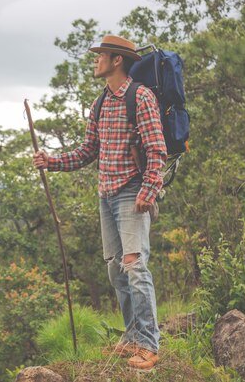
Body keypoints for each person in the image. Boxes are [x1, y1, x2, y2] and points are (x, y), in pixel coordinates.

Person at [33, 35, 167, 372]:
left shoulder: (141, 97)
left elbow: (156, 150)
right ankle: (133, 336)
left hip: (131, 192)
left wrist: (147, 192)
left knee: (135, 266)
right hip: (105, 194)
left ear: (117, 60)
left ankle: (150, 346)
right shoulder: (100, 104)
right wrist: (51, 161)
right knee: (115, 268)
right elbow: (88, 151)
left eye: (100, 56)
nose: (95, 61)